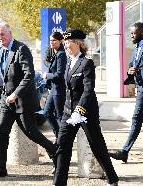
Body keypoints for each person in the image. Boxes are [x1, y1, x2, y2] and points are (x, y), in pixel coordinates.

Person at [0, 22, 56, 179]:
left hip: (21, 100)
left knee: (31, 133)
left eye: (2, 34)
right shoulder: (2, 51)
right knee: (0, 133)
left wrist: (16, 94)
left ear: (10, 33)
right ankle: (0, 168)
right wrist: (6, 95)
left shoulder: (21, 49)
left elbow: (28, 75)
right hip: (6, 100)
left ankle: (56, 154)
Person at [52, 29, 119, 186]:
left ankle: (112, 178)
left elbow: (89, 90)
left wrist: (79, 110)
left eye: (69, 43)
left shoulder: (86, 63)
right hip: (68, 112)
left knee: (97, 146)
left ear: (79, 43)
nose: (66, 46)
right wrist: (69, 111)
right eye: (65, 43)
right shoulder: (68, 62)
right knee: (62, 146)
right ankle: (59, 183)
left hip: (85, 112)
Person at [109, 22, 143, 162]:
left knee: (136, 119)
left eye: (134, 33)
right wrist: (129, 71)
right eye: (130, 33)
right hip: (141, 88)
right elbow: (132, 65)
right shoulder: (138, 47)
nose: (131, 36)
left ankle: (124, 151)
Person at [43, 32, 67, 140]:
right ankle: (59, 137)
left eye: (54, 40)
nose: (51, 43)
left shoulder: (61, 54)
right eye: (50, 40)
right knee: (47, 113)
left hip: (59, 89)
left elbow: (60, 74)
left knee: (60, 116)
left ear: (60, 41)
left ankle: (63, 140)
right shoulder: (55, 52)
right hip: (53, 88)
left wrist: (48, 75)